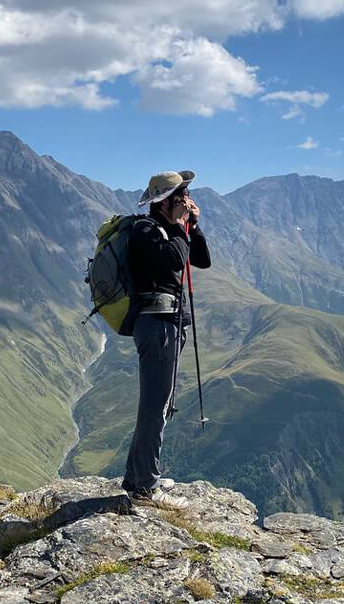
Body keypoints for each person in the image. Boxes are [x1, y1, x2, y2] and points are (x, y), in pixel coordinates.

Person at [119, 170, 211, 507]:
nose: (185, 202)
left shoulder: (169, 229)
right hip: (156, 326)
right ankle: (145, 487)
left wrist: (193, 226)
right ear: (163, 201)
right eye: (180, 197)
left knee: (158, 405)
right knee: (155, 408)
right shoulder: (145, 230)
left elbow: (201, 260)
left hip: (168, 325)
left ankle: (137, 477)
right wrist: (178, 225)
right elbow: (174, 258)